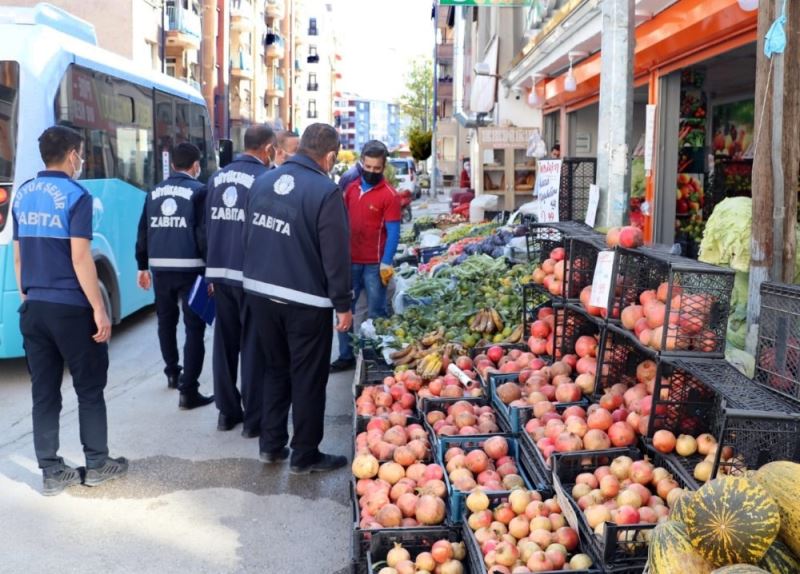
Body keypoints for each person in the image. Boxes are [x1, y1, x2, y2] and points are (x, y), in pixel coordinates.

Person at [12, 126, 128, 495]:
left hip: (35, 307)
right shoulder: (77, 195)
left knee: (44, 392)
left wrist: (27, 296)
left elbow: (18, 254)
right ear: (73, 154)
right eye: (80, 154)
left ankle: (50, 471)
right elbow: (81, 258)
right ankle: (96, 464)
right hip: (71, 308)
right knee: (89, 388)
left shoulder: (23, 193)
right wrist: (99, 307)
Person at [242, 122, 351, 474]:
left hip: (260, 293)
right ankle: (304, 453)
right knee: (307, 377)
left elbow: (249, 235)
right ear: (330, 155)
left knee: (274, 370)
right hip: (305, 301)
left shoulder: (263, 181)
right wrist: (343, 304)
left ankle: (271, 446)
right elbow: (335, 255)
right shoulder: (325, 191)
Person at [205, 125, 275, 436]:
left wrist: (209, 270)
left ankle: (226, 412)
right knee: (252, 347)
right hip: (251, 275)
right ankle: (253, 420)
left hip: (220, 272)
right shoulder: (264, 179)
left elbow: (206, 226)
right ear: (268, 148)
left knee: (224, 344)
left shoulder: (216, 177)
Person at [135, 142, 213, 410]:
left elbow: (143, 231)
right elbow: (203, 234)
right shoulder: (199, 191)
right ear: (194, 165)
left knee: (166, 323)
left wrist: (141, 266)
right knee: (195, 329)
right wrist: (212, 269)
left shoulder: (154, 192)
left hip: (160, 270)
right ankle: (188, 391)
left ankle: (172, 372)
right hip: (192, 270)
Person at [330, 140, 401, 372]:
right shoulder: (350, 190)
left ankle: (376, 356)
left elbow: (393, 232)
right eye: (368, 167)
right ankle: (345, 355)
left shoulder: (390, 195)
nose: (371, 172)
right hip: (350, 262)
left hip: (374, 264)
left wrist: (386, 262)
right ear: (362, 163)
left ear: (383, 167)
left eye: (376, 168)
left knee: (377, 311)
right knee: (345, 309)